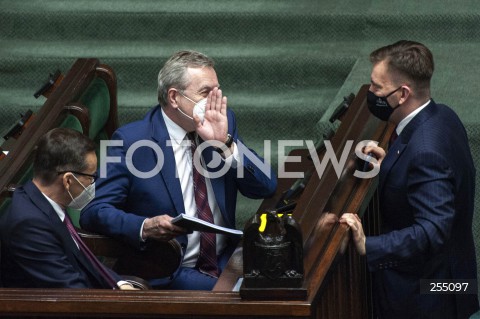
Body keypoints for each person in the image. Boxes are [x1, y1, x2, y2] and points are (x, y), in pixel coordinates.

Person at [80, 50, 277, 290]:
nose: (215, 99)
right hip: (170, 269)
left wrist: (224, 144)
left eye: (217, 91)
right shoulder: (132, 141)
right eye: (206, 92)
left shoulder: (222, 122)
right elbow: (94, 212)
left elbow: (266, 186)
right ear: (174, 97)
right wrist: (145, 226)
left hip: (226, 260)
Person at [340, 40, 479, 318]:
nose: (371, 93)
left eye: (377, 87)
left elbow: (433, 230)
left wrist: (369, 245)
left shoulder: (425, 152)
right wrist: (391, 163)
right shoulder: (443, 116)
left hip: (430, 295)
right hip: (455, 278)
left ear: (402, 94)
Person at [0, 128, 135, 289]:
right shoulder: (29, 225)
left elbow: (84, 259)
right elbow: (71, 294)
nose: (93, 184)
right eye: (91, 177)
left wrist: (119, 283)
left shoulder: (44, 201)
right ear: (68, 181)